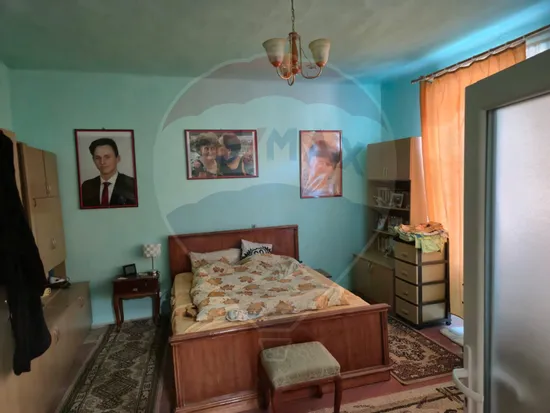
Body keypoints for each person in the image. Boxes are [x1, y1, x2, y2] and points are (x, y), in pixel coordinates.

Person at [80, 138, 137, 207]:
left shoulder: (132, 184)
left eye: (107, 157)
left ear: (118, 158)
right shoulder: (86, 187)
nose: (102, 162)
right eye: (97, 158)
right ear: (93, 160)